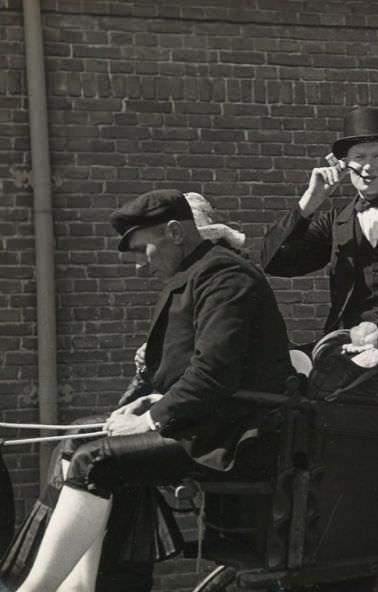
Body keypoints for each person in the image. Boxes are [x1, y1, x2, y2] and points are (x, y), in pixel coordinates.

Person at [12, 189, 294, 592]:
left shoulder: (227, 276)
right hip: (208, 420)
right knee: (79, 437)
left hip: (234, 437)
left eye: (146, 249)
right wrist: (156, 399)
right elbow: (197, 369)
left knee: (95, 462)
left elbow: (215, 372)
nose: (144, 264)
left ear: (176, 232)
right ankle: (78, 586)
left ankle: (37, 589)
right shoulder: (197, 272)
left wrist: (150, 418)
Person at [261, 107, 378, 341]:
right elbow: (276, 262)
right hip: (347, 342)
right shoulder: (335, 221)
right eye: (359, 157)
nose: (368, 167)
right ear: (344, 165)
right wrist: (310, 200)